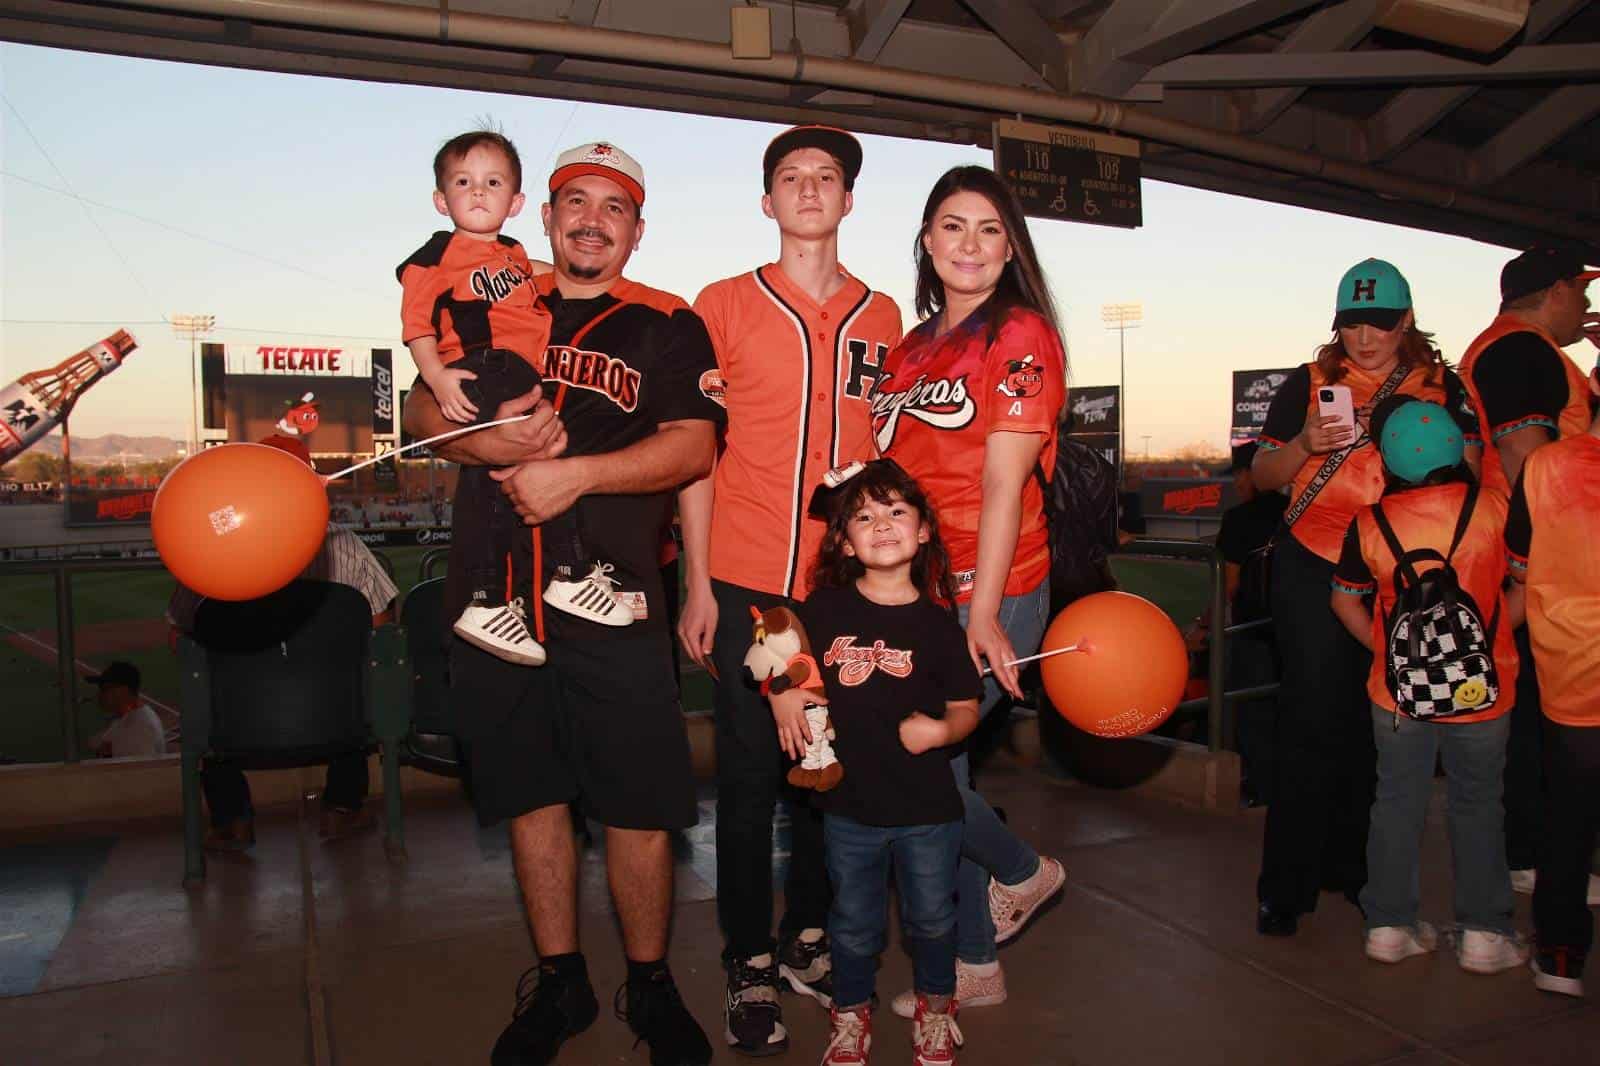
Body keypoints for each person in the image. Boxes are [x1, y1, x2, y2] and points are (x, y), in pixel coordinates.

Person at [403, 139, 723, 1066]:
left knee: (635, 803)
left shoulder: (666, 320)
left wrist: (573, 477)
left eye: (612, 207)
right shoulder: (494, 283)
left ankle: (651, 985)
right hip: (489, 602)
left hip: (614, 600)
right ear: (543, 217)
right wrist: (487, 446)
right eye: (572, 202)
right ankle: (561, 981)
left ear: (636, 228)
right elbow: (421, 417)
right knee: (531, 795)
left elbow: (693, 448)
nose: (591, 220)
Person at [674, 123, 902, 1056]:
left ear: (849, 201)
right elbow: (695, 456)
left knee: (827, 770)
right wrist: (695, 583)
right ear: (768, 203)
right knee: (747, 781)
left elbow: (887, 455)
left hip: (840, 586)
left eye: (827, 176)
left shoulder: (883, 316)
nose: (810, 188)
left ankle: (806, 935)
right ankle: (746, 962)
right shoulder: (721, 303)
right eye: (791, 177)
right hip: (743, 578)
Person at [870, 165, 1067, 1014]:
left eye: (990, 229)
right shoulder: (911, 349)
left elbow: (1002, 482)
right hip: (919, 595)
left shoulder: (1019, 334)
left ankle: (1025, 870)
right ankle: (971, 969)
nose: (971, 245)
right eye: (953, 226)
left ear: (1010, 246)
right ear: (926, 239)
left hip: (994, 588)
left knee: (916, 765)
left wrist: (983, 610)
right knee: (938, 770)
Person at [1252, 258, 1481, 937]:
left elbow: (1473, 475)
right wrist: (1302, 445)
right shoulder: (1312, 382)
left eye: (1379, 323)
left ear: (1405, 321)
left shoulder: (1444, 388)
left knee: (1381, 729)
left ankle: (1356, 874)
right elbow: (1261, 476)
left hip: (1402, 574)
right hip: (1315, 566)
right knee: (1309, 726)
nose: (1365, 338)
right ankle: (1285, 889)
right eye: (1352, 324)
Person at [768, 460, 979, 1066]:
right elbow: (777, 646)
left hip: (928, 812)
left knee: (934, 922)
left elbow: (967, 706)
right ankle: (850, 1015)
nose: (881, 524)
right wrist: (783, 689)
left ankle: (938, 1010)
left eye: (896, 512)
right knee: (854, 926)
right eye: (863, 515)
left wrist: (941, 729)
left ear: (923, 532)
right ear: (843, 539)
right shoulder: (824, 609)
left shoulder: (939, 626)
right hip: (849, 811)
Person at [397, 130, 630, 671]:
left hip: (518, 370)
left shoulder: (513, 254)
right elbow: (416, 324)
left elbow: (531, 295)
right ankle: (499, 593)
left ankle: (555, 579)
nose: (478, 193)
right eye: (463, 183)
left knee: (533, 460)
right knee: (505, 464)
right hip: (482, 365)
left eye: (492, 183)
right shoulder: (435, 255)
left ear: (517, 203)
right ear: (441, 200)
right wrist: (436, 376)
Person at [1330, 398, 1526, 974]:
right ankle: (1484, 935)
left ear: (1386, 461)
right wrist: (1484, 648)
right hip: (1485, 693)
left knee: (1395, 803)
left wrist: (1391, 654)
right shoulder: (1495, 507)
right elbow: (1527, 585)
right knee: (1478, 804)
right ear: (1459, 449)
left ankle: (1388, 926)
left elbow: (1343, 602)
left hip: (1397, 697)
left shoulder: (1368, 523)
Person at [167, 434, 399, 848]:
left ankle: (232, 819)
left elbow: (179, 639)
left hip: (232, 729)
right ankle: (341, 807)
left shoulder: (208, 550)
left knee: (205, 683)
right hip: (342, 723)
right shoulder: (343, 543)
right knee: (359, 676)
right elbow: (381, 632)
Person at [1457, 245, 1600, 894]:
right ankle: (1539, 861)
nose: (1588, 304)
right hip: (1546, 560)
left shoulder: (1516, 348)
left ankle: (1537, 857)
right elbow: (1526, 458)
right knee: (1554, 721)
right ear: (1555, 292)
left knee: (1544, 714)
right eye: (1582, 289)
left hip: (1537, 554)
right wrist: (1556, 555)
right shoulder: (1519, 349)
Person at [1505, 355, 1600, 998]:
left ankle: (1562, 956)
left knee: (1568, 818)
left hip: (1573, 673)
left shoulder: (1546, 465)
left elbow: (1519, 570)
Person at [1191, 442, 1286, 806]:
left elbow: (1226, 584)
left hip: (1255, 630)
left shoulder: (1239, 519)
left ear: (1252, 473)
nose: (1237, 483)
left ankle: (1263, 789)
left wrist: (1204, 625)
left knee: (1253, 711)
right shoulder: (1295, 509)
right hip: (1296, 625)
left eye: (1239, 475)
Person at [85, 661, 167, 758]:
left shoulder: (141, 728)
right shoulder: (127, 717)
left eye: (104, 689)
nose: (99, 695)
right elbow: (102, 742)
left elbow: (141, 771)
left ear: (122, 691)